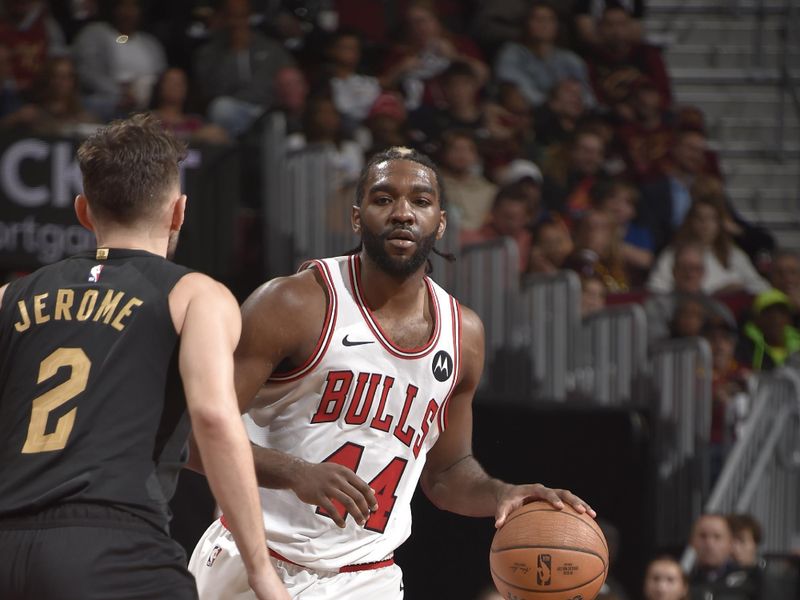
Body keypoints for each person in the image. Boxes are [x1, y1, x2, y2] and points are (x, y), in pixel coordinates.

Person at [188, 146, 595, 599]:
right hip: (254, 561)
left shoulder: (463, 335)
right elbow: (190, 438)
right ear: (358, 218)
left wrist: (501, 494)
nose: (403, 213)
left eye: (420, 201)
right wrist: (295, 472)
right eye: (384, 199)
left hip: (367, 576)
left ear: (440, 221)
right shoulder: (292, 303)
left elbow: (446, 472)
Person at [0, 114, 288, 600]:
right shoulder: (196, 295)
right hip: (111, 542)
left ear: (82, 211)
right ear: (179, 211)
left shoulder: (9, 296)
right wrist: (260, 570)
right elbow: (215, 419)